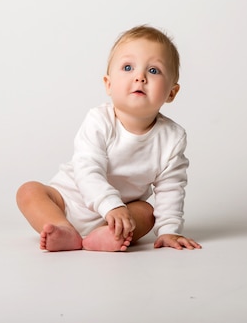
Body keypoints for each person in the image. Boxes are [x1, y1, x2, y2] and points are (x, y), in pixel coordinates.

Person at [16, 25, 201, 252]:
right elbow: (88, 169)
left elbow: (171, 187)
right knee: (29, 191)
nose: (140, 77)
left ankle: (104, 235)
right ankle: (61, 228)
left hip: (121, 214)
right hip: (68, 201)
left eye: (153, 71)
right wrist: (110, 205)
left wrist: (169, 230)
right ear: (109, 84)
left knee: (146, 212)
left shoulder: (172, 138)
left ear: (171, 92)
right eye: (127, 67)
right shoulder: (99, 120)